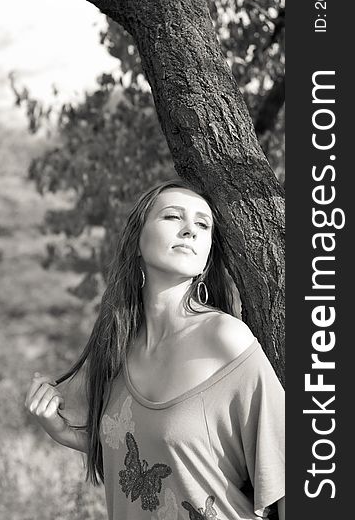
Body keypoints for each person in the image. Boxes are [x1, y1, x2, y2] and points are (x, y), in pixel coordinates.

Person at [25, 179, 285, 520]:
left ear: (207, 257)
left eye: (203, 224)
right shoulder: (116, 350)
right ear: (137, 241)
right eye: (173, 217)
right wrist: (65, 433)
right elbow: (153, 453)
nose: (190, 230)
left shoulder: (224, 338)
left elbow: (291, 470)